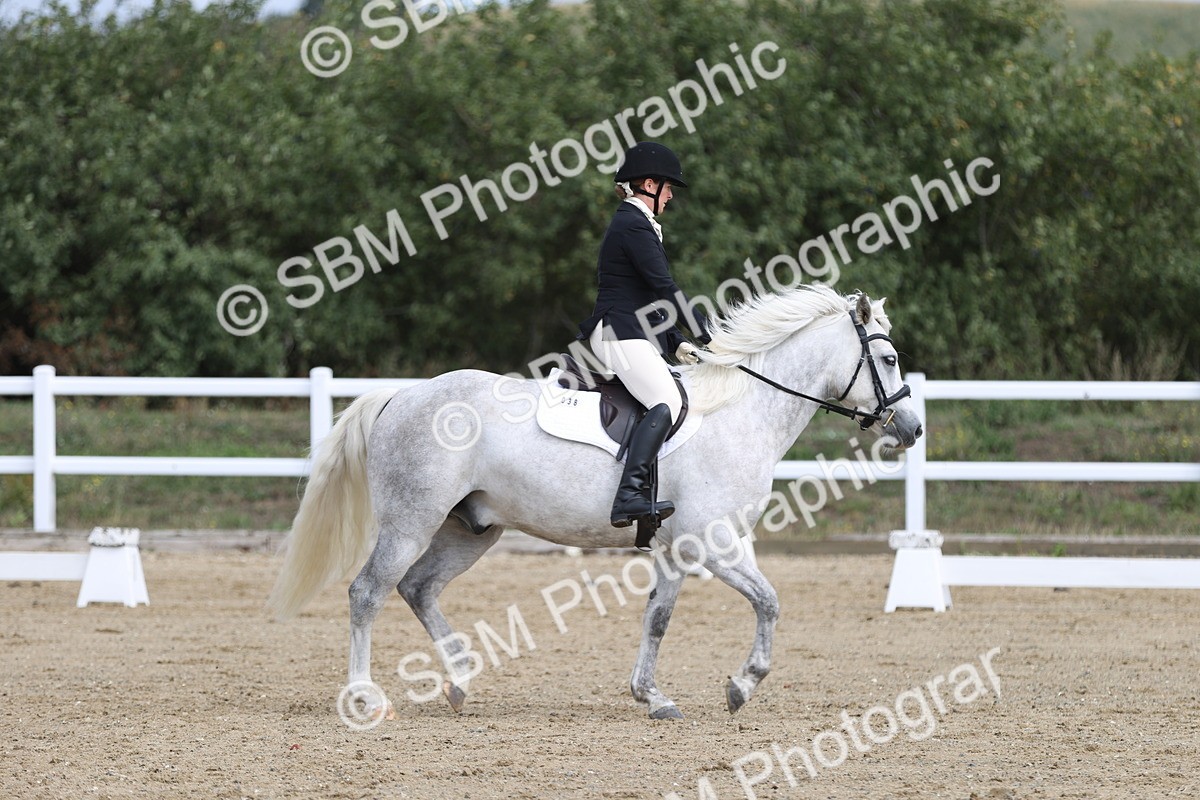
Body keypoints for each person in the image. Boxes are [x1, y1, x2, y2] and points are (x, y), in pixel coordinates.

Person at [577, 141, 711, 529]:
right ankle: (629, 496)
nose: (671, 195)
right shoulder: (632, 223)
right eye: (668, 187)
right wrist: (708, 335)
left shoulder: (638, 223)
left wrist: (677, 341)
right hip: (618, 332)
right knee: (666, 399)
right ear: (649, 184)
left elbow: (650, 299)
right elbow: (665, 287)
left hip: (631, 328)